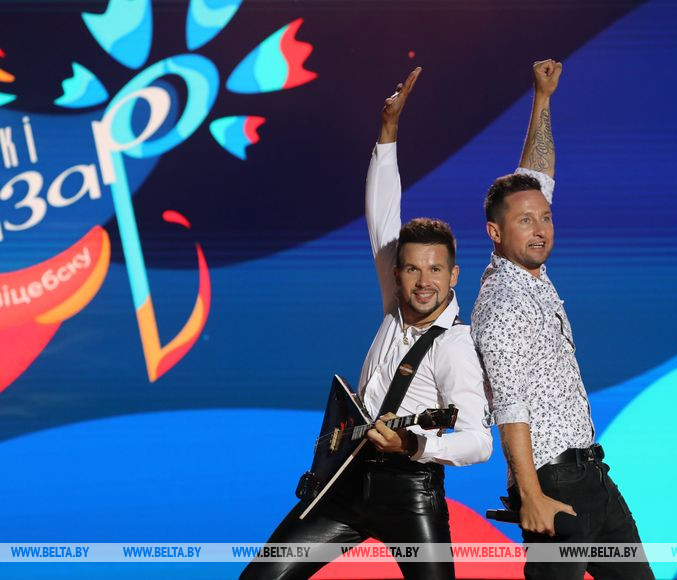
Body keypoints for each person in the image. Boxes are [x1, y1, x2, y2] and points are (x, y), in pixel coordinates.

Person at [240, 67, 492, 580]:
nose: (424, 281)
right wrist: (388, 130)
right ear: (397, 273)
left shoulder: (456, 345)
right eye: (412, 269)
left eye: (436, 270)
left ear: (454, 275)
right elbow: (382, 217)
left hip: (411, 494)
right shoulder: (394, 304)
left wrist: (416, 445)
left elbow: (479, 442)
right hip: (344, 484)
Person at [471, 60, 654, 580]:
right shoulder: (503, 301)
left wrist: (543, 98)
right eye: (525, 221)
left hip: (593, 475)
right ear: (495, 232)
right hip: (554, 485)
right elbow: (510, 404)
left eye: (545, 218)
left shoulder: (530, 274)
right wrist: (530, 495)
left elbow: (536, 176)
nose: (540, 228)